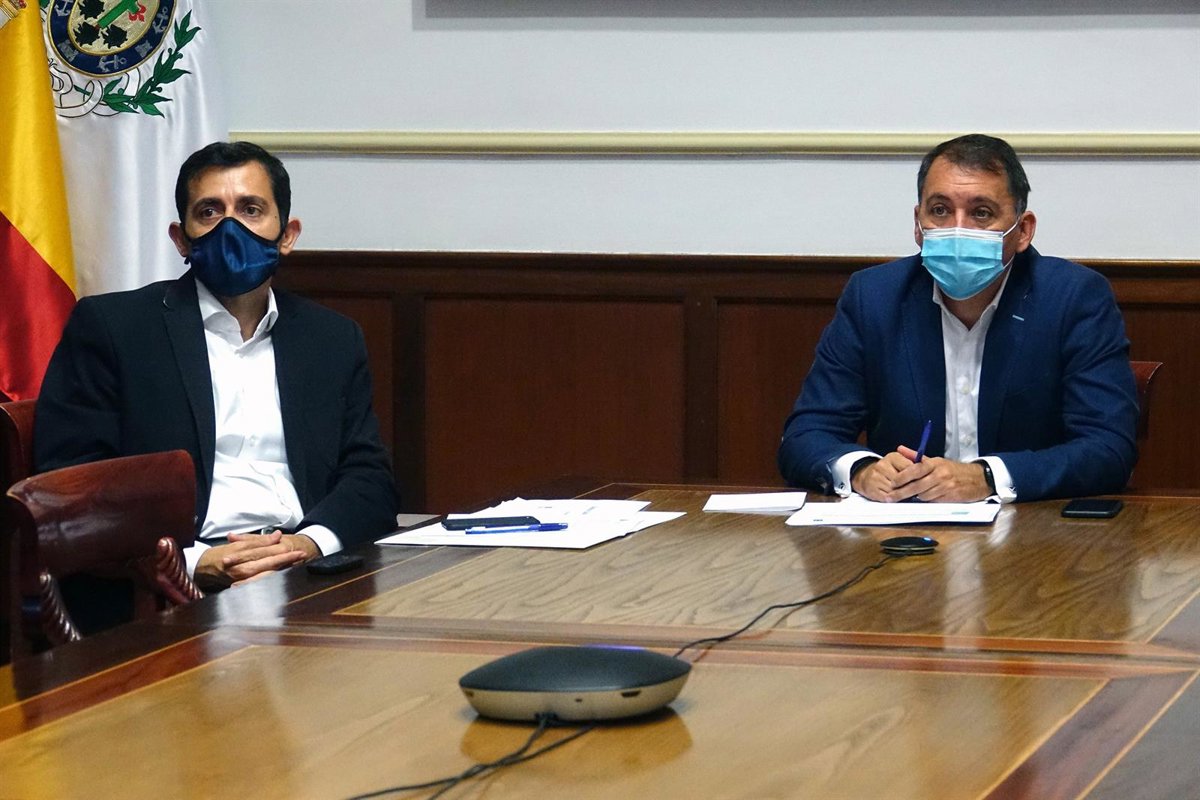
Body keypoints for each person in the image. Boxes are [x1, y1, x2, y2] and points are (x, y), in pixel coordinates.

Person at [35, 141, 398, 619]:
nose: (231, 228)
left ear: (287, 235)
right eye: (209, 212)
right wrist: (187, 562)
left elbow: (370, 478)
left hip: (307, 576)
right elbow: (73, 483)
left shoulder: (331, 339)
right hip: (166, 591)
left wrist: (308, 545)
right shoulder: (114, 329)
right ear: (181, 239)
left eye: (251, 210)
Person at [778, 134, 1137, 503]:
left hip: (1033, 530)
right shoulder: (874, 298)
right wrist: (862, 471)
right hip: (902, 530)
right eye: (940, 210)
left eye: (981, 213)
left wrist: (986, 477)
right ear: (918, 225)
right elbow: (806, 436)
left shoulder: (1073, 298)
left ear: (1023, 230)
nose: (958, 228)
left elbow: (1108, 448)